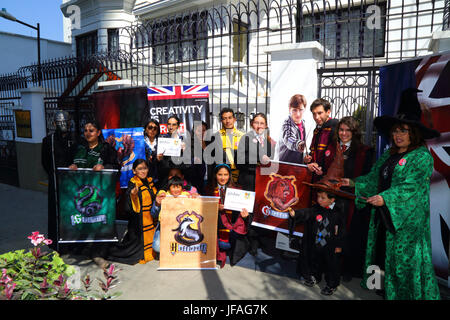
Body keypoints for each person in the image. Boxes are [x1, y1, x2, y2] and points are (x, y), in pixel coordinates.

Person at [341, 88, 441, 300]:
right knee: (379, 253)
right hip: (382, 215)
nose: (398, 135)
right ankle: (378, 287)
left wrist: (386, 197)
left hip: (405, 223)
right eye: (395, 131)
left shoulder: (422, 157)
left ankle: (402, 295)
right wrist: (352, 182)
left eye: (403, 131)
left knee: (403, 262)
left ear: (414, 133)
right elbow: (373, 178)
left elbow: (410, 187)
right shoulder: (389, 153)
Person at [319, 116, 375, 281]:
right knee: (328, 231)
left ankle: (346, 269)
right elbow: (323, 169)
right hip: (331, 198)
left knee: (347, 235)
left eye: (347, 130)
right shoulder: (331, 148)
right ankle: (327, 265)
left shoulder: (364, 152)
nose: (343, 133)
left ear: (354, 132)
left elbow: (370, 178)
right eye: (341, 130)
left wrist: (353, 182)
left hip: (350, 201)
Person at [68, 120, 119, 268]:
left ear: (98, 133)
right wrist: (72, 166)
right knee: (85, 221)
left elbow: (116, 166)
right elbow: (73, 164)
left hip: (101, 195)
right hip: (81, 194)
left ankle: (100, 253)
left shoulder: (106, 149)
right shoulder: (79, 148)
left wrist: (104, 167)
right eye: (85, 130)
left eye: (91, 130)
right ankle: (86, 248)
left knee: (101, 221)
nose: (88, 133)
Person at [288, 190, 346, 296]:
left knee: (331, 265)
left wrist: (339, 245)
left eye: (323, 198)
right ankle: (315, 277)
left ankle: (331, 285)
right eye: (318, 196)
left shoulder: (338, 213)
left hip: (330, 244)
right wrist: (295, 213)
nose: (319, 200)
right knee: (315, 260)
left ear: (332, 200)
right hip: (317, 242)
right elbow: (307, 212)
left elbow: (341, 230)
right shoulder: (316, 208)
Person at [107, 159, 158, 264]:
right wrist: (133, 195)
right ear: (134, 171)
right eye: (140, 169)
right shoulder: (133, 183)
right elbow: (129, 206)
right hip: (138, 223)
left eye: (145, 168)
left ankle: (151, 252)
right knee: (130, 250)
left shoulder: (149, 181)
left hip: (151, 219)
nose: (143, 171)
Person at [41, 110, 76, 250]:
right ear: (54, 123)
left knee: (73, 210)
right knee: (56, 211)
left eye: (65, 122)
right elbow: (45, 162)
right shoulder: (48, 140)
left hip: (73, 182)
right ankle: (57, 243)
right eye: (60, 122)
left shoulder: (75, 138)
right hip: (56, 181)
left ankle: (72, 242)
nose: (63, 125)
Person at [205, 164, 249, 268]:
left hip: (231, 229)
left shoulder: (238, 190)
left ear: (230, 176)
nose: (223, 178)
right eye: (220, 174)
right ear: (215, 175)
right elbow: (204, 211)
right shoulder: (209, 190)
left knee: (227, 244)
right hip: (216, 228)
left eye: (226, 174)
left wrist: (244, 216)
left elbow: (243, 212)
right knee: (222, 245)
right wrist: (215, 208)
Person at [150, 175, 195, 253]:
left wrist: (193, 196)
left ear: (182, 188)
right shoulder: (164, 195)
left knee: (179, 244)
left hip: (179, 225)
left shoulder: (185, 195)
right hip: (164, 225)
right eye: (173, 187)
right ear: (169, 188)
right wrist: (158, 201)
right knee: (157, 247)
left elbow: (193, 198)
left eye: (178, 187)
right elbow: (153, 213)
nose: (176, 190)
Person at [237, 112, 275, 191]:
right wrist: (259, 158)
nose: (259, 126)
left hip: (263, 180)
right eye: (256, 123)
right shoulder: (245, 138)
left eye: (262, 123)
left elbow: (271, 160)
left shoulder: (268, 141)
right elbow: (239, 160)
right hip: (248, 180)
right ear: (252, 124)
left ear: (266, 125)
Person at [304, 98, 339, 183]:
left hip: (330, 179)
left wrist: (320, 165)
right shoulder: (317, 130)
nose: (316, 117)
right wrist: (308, 159)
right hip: (316, 176)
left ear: (328, 112)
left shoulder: (335, 129)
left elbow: (336, 155)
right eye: (314, 114)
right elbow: (314, 151)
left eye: (320, 113)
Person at [210, 108, 245, 184]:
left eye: (230, 118)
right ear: (221, 121)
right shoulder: (216, 136)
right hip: (223, 177)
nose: (228, 121)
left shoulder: (243, 136)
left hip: (240, 176)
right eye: (224, 118)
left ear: (234, 119)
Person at [278, 94, 307, 164]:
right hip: (284, 166)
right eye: (294, 110)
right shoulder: (287, 124)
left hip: (297, 165)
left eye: (301, 110)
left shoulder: (303, 123)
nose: (298, 114)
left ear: (305, 109)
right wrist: (298, 144)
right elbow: (289, 138)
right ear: (289, 110)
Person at [143, 119, 164, 186]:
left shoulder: (162, 142)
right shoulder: (140, 141)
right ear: (145, 129)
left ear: (157, 131)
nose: (152, 130)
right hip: (142, 175)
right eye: (150, 127)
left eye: (155, 128)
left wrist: (159, 159)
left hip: (158, 176)